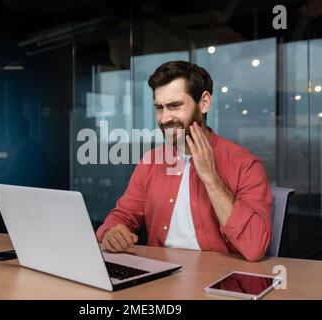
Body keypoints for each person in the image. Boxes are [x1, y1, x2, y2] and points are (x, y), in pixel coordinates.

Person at [96, 61, 272, 262]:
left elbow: (255, 247)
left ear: (204, 103)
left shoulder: (245, 165)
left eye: (175, 106)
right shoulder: (151, 162)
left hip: (219, 281)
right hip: (159, 278)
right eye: (159, 108)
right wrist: (111, 233)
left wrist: (212, 179)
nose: (164, 118)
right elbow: (121, 217)